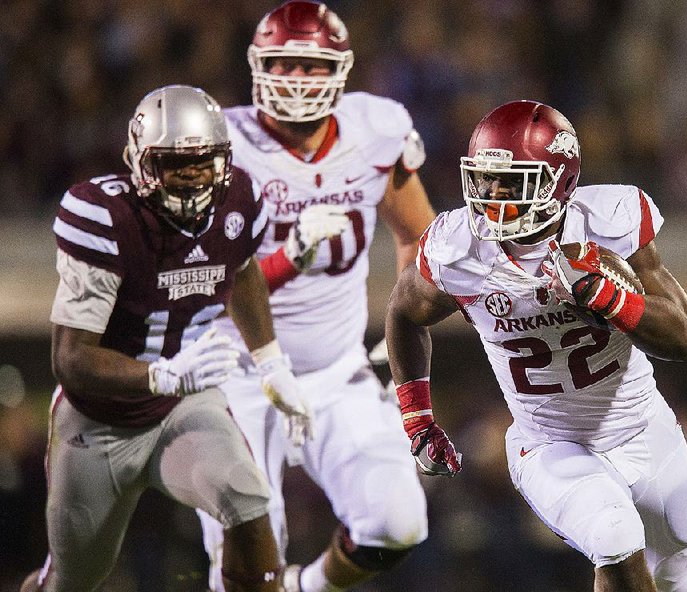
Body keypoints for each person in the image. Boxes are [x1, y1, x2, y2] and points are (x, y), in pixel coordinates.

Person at [385, 100, 687, 591]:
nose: (492, 197)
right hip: (548, 442)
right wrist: (417, 417)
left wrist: (607, 297)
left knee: (684, 534)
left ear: (557, 180)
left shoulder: (609, 221)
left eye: (510, 182)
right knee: (614, 534)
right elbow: (404, 313)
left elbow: (681, 338)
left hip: (642, 425)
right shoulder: (458, 251)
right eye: (484, 181)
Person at [20, 84, 312, 592]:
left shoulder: (239, 199)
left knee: (249, 505)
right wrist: (160, 374)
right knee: (74, 580)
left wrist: (271, 364)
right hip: (101, 420)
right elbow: (70, 359)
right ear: (140, 162)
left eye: (204, 162)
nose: (194, 176)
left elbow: (241, 271)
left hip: (185, 405)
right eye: (176, 164)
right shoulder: (103, 217)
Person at [196, 2, 436, 592]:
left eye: (310, 66)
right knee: (248, 559)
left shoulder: (375, 130)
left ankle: (311, 588)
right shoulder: (221, 143)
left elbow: (418, 238)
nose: (297, 80)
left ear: (340, 69)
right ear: (257, 66)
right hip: (234, 370)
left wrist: (401, 330)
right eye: (283, 65)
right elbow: (209, 280)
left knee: (397, 522)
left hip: (337, 369)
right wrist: (289, 257)